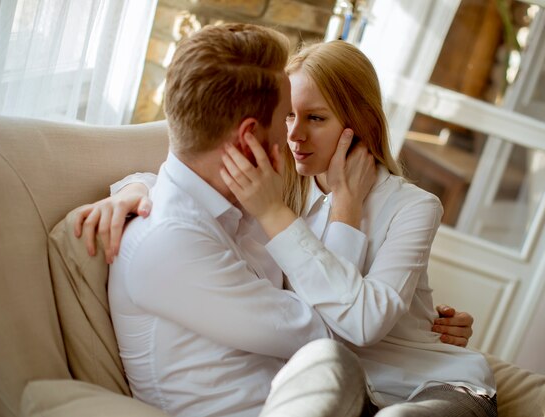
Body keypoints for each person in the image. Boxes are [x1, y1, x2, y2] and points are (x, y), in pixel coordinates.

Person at [77, 38, 486, 415]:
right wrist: (134, 190)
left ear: (359, 121)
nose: (293, 134)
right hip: (343, 389)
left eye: (315, 118)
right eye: (288, 116)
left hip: (427, 383)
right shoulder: (279, 191)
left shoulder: (412, 206)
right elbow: (193, 191)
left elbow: (359, 325)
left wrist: (345, 210)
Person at [97, 23, 368, 417]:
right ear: (249, 138)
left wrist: (131, 186)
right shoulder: (173, 243)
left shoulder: (230, 204)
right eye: (285, 117)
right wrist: (347, 205)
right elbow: (335, 334)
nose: (292, 137)